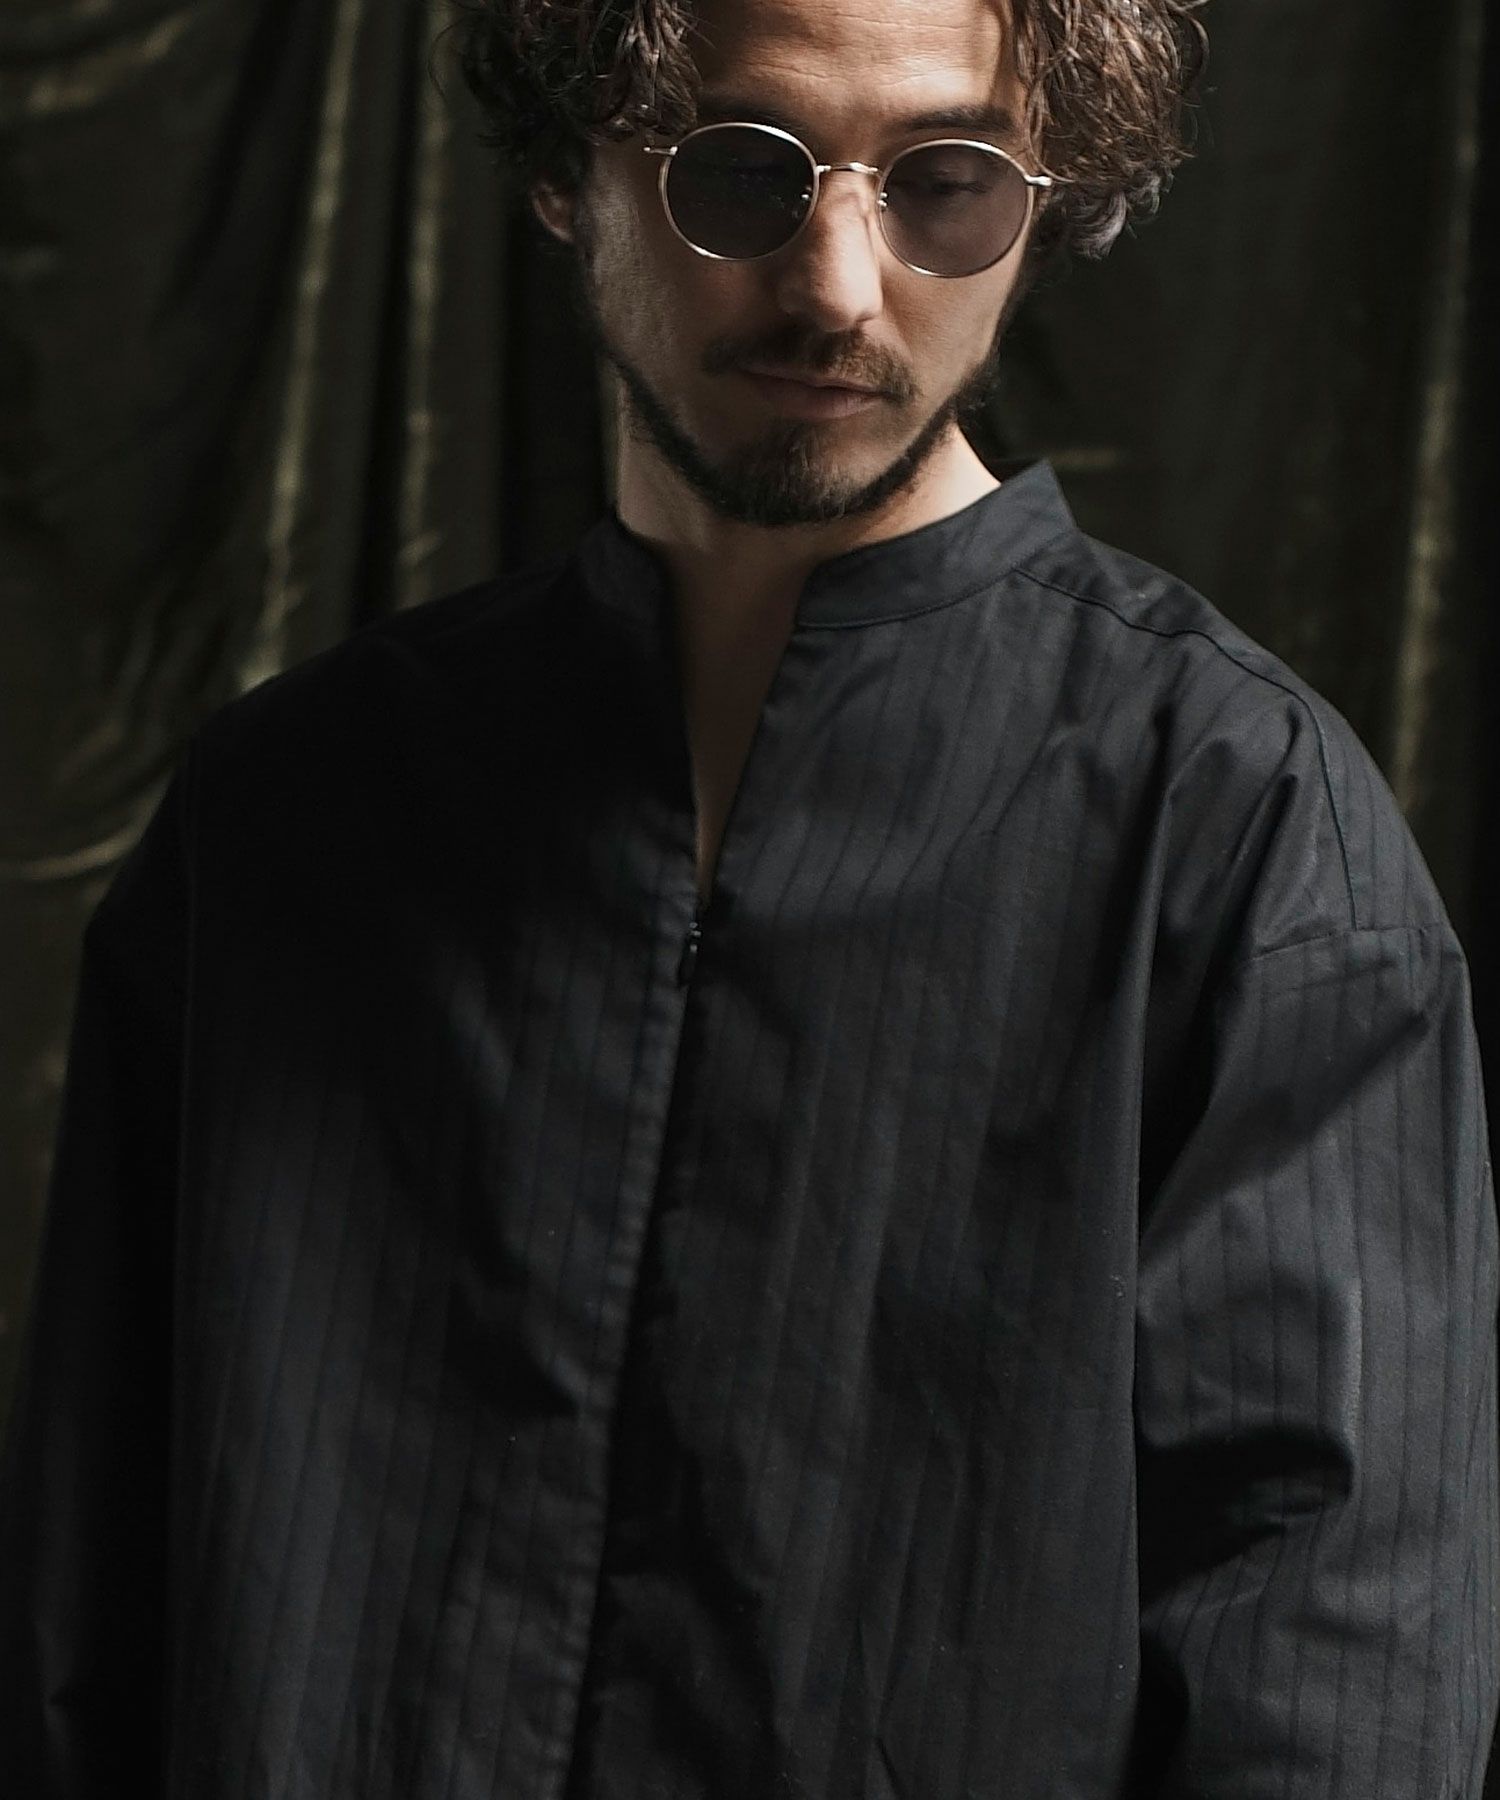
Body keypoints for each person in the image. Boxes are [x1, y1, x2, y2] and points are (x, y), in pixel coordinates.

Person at [2, 0, 1496, 1793]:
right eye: (737, 173)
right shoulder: (284, 817)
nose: (841, 289)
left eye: (946, 183)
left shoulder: (1240, 825)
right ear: (568, 172)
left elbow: (1336, 1679)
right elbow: (81, 1630)